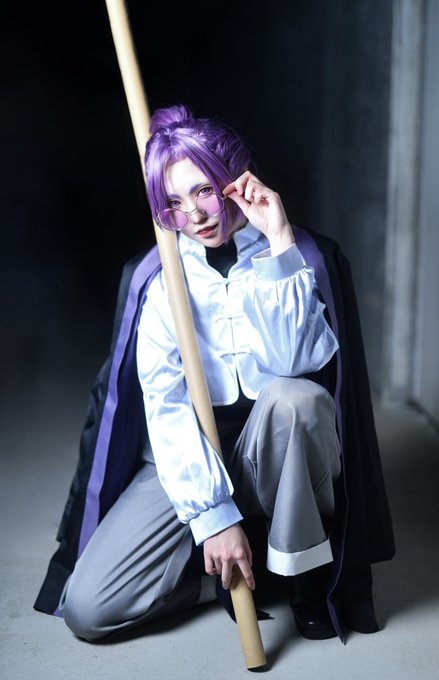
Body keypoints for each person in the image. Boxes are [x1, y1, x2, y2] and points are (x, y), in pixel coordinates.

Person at [34, 104, 395, 644]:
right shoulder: (159, 279)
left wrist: (278, 243)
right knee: (89, 608)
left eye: (204, 190)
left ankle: (303, 578)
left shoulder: (299, 254)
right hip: (191, 453)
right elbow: (166, 407)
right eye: (174, 203)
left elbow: (296, 367)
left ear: (235, 179)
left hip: (272, 448)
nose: (195, 214)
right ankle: (226, 574)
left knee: (295, 400)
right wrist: (215, 519)